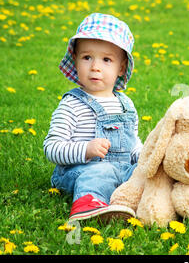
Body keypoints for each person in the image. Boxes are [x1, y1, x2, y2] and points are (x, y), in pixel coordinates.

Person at [43, 13, 143, 222]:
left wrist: (143, 157)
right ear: (76, 60)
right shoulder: (72, 103)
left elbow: (133, 142)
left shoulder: (125, 104)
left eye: (106, 59)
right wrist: (86, 150)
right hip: (79, 171)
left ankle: (137, 203)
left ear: (121, 68)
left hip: (120, 169)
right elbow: (52, 147)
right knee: (100, 172)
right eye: (87, 57)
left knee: (144, 173)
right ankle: (88, 205)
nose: (95, 66)